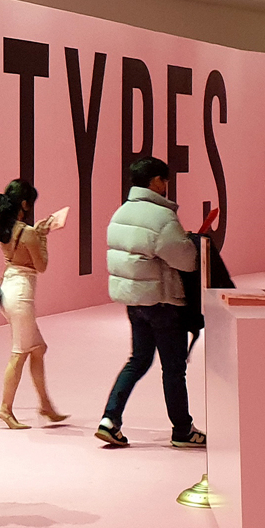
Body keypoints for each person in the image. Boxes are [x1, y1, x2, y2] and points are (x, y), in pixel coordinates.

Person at [96, 157, 210, 450]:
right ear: (155, 181)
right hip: (163, 303)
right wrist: (189, 242)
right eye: (165, 179)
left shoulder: (120, 213)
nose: (167, 185)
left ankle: (110, 419)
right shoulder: (162, 218)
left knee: (138, 360)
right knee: (173, 369)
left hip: (135, 302)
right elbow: (186, 260)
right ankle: (182, 430)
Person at [0, 179, 66, 429]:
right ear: (24, 204)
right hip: (21, 295)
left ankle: (45, 405)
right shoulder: (29, 233)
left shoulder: (6, 229)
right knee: (19, 354)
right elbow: (41, 265)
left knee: (37, 348)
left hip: (8, 289)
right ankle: (5, 409)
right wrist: (43, 237)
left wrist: (38, 233)